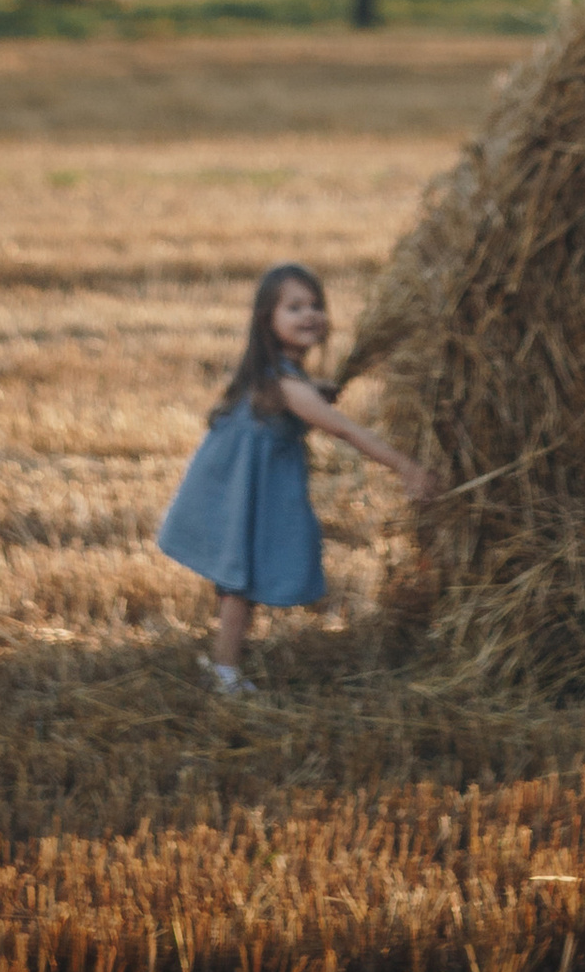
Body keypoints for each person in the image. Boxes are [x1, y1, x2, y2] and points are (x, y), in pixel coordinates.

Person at [157, 260, 435, 692]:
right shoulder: (287, 386)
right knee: (238, 580)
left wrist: (316, 390)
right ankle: (225, 670)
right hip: (244, 489)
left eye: (315, 305)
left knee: (240, 579)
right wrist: (407, 467)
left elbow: (304, 400)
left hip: (248, 484)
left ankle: (225, 664)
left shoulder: (282, 377)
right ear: (266, 320)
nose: (309, 314)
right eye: (294, 307)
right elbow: (345, 430)